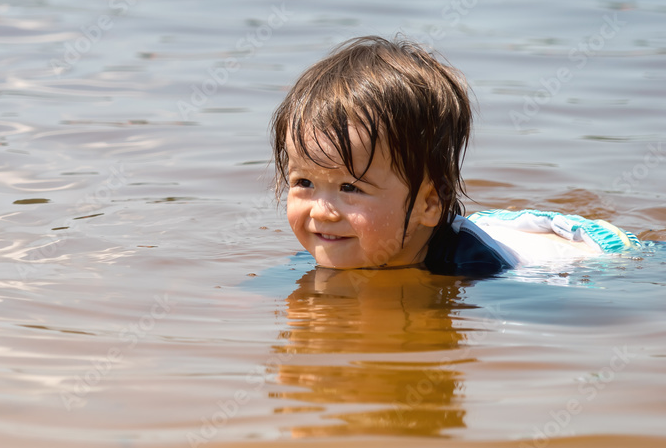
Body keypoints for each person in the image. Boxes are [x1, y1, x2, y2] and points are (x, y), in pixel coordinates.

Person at [270, 35, 642, 276]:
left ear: (429, 203)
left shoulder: (474, 266)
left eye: (350, 188)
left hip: (595, 244)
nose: (321, 211)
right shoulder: (339, 239)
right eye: (305, 182)